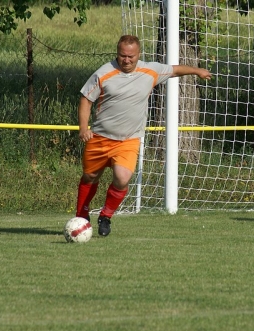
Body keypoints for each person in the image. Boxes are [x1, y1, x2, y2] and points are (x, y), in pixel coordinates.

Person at [75, 35, 212, 236]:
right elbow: (86, 99)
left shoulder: (150, 70)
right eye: (122, 56)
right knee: (90, 177)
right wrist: (83, 128)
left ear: (138, 54)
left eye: (131, 56)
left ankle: (106, 216)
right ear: (117, 53)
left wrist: (197, 71)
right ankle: (81, 216)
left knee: (122, 178)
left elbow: (174, 70)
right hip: (100, 138)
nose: (127, 60)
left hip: (128, 141)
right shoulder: (103, 73)